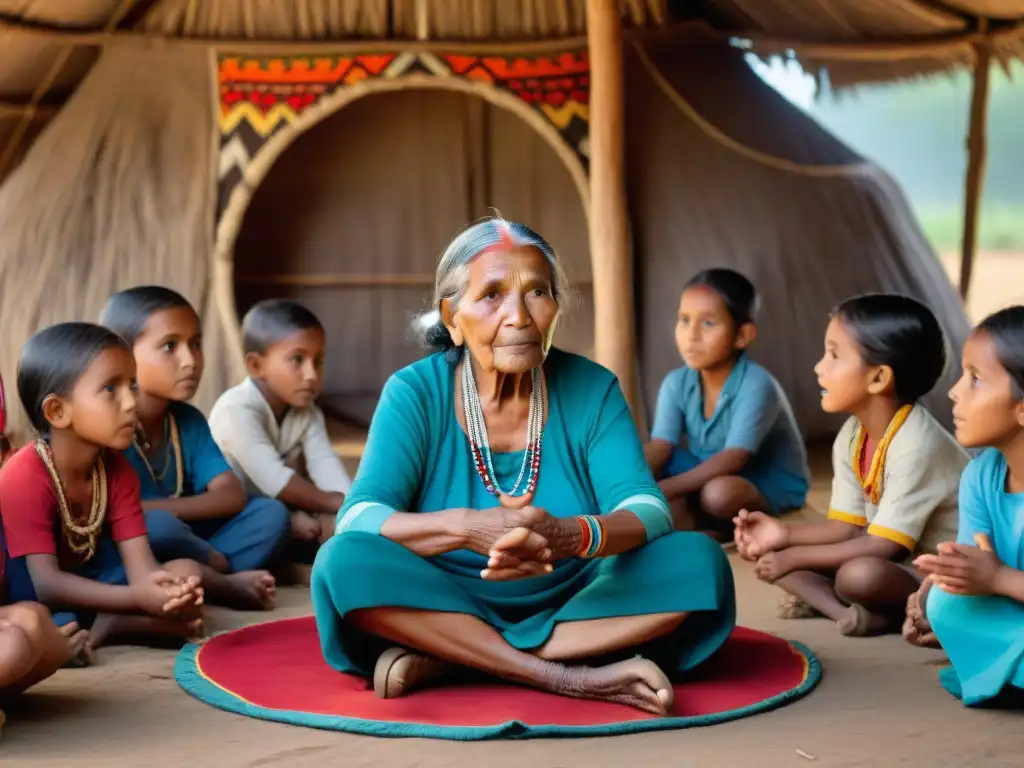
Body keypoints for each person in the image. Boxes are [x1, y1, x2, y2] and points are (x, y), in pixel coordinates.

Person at [311, 218, 735, 715]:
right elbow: (359, 515)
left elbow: (648, 509)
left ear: (555, 307)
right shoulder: (414, 393)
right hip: (444, 594)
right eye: (491, 295)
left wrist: (572, 535)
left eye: (537, 292)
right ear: (452, 317)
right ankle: (563, 674)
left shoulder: (591, 387)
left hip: (578, 594)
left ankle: (458, 659)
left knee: (698, 561)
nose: (519, 316)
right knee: (343, 561)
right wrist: (468, 529)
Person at [734, 294, 967, 636]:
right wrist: (782, 536)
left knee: (858, 576)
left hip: (938, 572)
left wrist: (796, 556)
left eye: (834, 355)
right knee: (775, 557)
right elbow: (846, 527)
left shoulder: (918, 443)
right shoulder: (852, 434)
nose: (819, 367)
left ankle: (874, 610)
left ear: (878, 378)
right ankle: (846, 614)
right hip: (891, 559)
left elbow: (882, 545)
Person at [0, 323, 204, 653]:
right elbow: (47, 584)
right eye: (111, 389)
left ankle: (111, 622)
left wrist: (164, 592)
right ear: (58, 411)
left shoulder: (117, 469)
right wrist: (138, 598)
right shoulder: (25, 473)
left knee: (185, 572)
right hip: (27, 591)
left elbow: (142, 568)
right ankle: (113, 622)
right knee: (43, 624)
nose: (130, 403)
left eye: (132, 386)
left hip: (92, 579)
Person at [100, 287, 289, 610]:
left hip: (184, 537)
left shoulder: (186, 420)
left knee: (270, 514)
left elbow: (231, 495)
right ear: (124, 354)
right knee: (155, 528)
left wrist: (161, 512)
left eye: (196, 344)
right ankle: (217, 576)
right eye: (170, 346)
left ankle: (192, 577)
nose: (190, 360)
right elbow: (108, 519)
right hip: (126, 548)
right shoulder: (106, 424)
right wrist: (169, 524)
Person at [909, 306, 1024, 705]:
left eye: (975, 379)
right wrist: (931, 588)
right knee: (945, 603)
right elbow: (967, 560)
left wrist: (998, 580)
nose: (954, 391)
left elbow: (991, 577)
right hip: (1015, 613)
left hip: (1012, 595)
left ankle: (999, 668)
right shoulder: (981, 475)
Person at [645, 269, 809, 536]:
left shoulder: (757, 384)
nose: (692, 335)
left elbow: (735, 457)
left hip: (760, 481)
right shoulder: (676, 382)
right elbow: (662, 446)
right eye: (684, 320)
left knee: (718, 495)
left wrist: (669, 489)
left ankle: (728, 526)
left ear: (742, 335)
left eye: (708, 323)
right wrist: (630, 479)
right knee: (648, 467)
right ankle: (702, 524)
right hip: (703, 469)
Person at [209, 299, 350, 553]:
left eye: (318, 361)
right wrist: (337, 503)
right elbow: (275, 479)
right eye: (297, 359)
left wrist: (349, 505)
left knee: (338, 521)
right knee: (278, 518)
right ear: (256, 366)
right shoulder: (236, 409)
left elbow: (325, 465)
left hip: (280, 506)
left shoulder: (307, 413)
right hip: (235, 515)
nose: (311, 374)